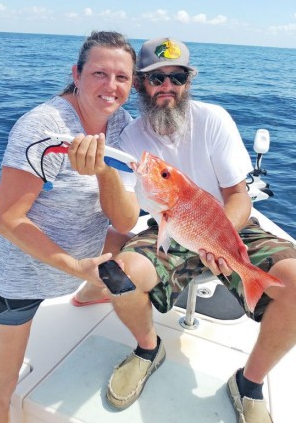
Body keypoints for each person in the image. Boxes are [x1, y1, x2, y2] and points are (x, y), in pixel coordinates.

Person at [73, 37, 296, 423]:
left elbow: (238, 195)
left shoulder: (213, 119)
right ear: (141, 84)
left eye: (177, 77)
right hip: (167, 225)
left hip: (227, 225)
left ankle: (250, 382)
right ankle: (148, 348)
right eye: (156, 78)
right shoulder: (130, 138)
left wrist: (219, 237)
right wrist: (105, 260)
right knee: (116, 276)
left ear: (187, 82)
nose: (167, 86)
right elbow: (125, 218)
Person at [0, 31, 140, 423]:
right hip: (20, 278)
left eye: (122, 77)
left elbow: (125, 220)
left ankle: (90, 291)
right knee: (0, 391)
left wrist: (104, 171)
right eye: (99, 74)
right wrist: (75, 267)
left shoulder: (123, 125)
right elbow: (6, 219)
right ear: (76, 74)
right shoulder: (44, 127)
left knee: (130, 235)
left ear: (132, 83)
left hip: (83, 265)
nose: (111, 87)